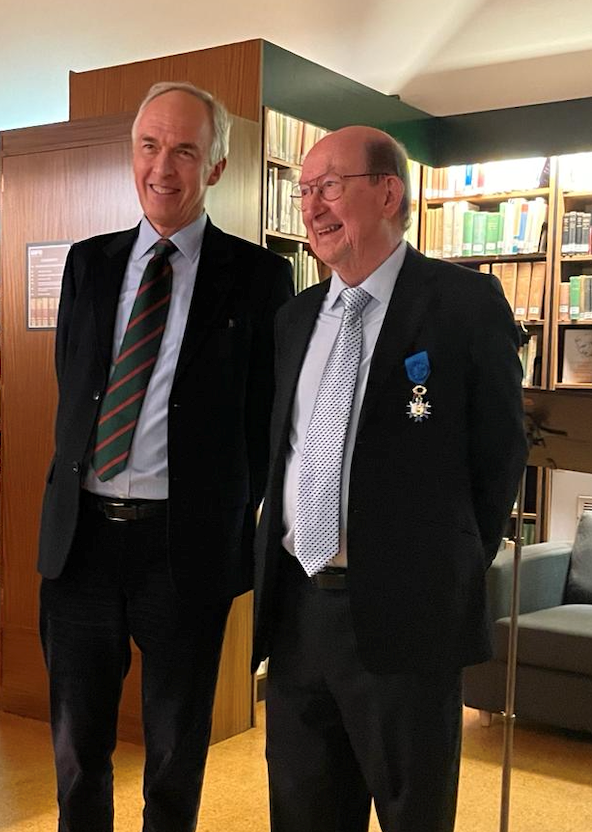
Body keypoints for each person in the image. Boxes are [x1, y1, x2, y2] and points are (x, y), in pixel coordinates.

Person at [252, 125, 527, 832]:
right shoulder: (295, 317)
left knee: (415, 816)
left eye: (330, 186)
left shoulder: (464, 305)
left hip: (407, 621)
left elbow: (499, 459)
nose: (312, 206)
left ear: (387, 192)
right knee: (303, 815)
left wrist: (447, 568)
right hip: (298, 617)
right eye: (305, 190)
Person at [38, 80, 293, 832]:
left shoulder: (259, 277)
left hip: (182, 551)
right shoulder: (88, 264)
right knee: (78, 751)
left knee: (176, 755)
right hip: (79, 542)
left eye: (185, 149)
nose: (163, 166)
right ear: (132, 155)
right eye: (149, 146)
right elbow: (74, 388)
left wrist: (222, 505)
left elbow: (264, 417)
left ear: (214, 167)